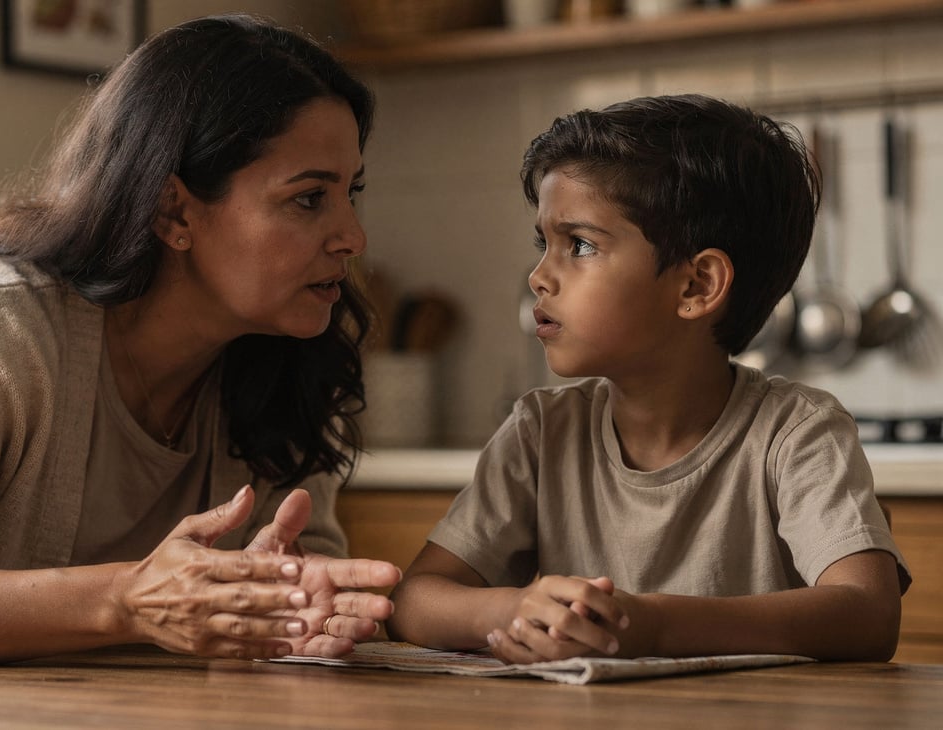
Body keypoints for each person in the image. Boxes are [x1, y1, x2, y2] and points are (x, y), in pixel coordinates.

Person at [0, 13, 400, 668]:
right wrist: (123, 600)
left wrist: (296, 615)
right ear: (174, 211)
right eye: (309, 199)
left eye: (352, 194)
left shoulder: (287, 363)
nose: (354, 236)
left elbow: (303, 580)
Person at [386, 94, 911, 663]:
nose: (539, 276)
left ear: (696, 286)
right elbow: (414, 600)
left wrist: (656, 625)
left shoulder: (797, 432)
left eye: (580, 245)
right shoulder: (541, 431)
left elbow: (868, 613)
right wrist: (511, 610)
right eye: (545, 244)